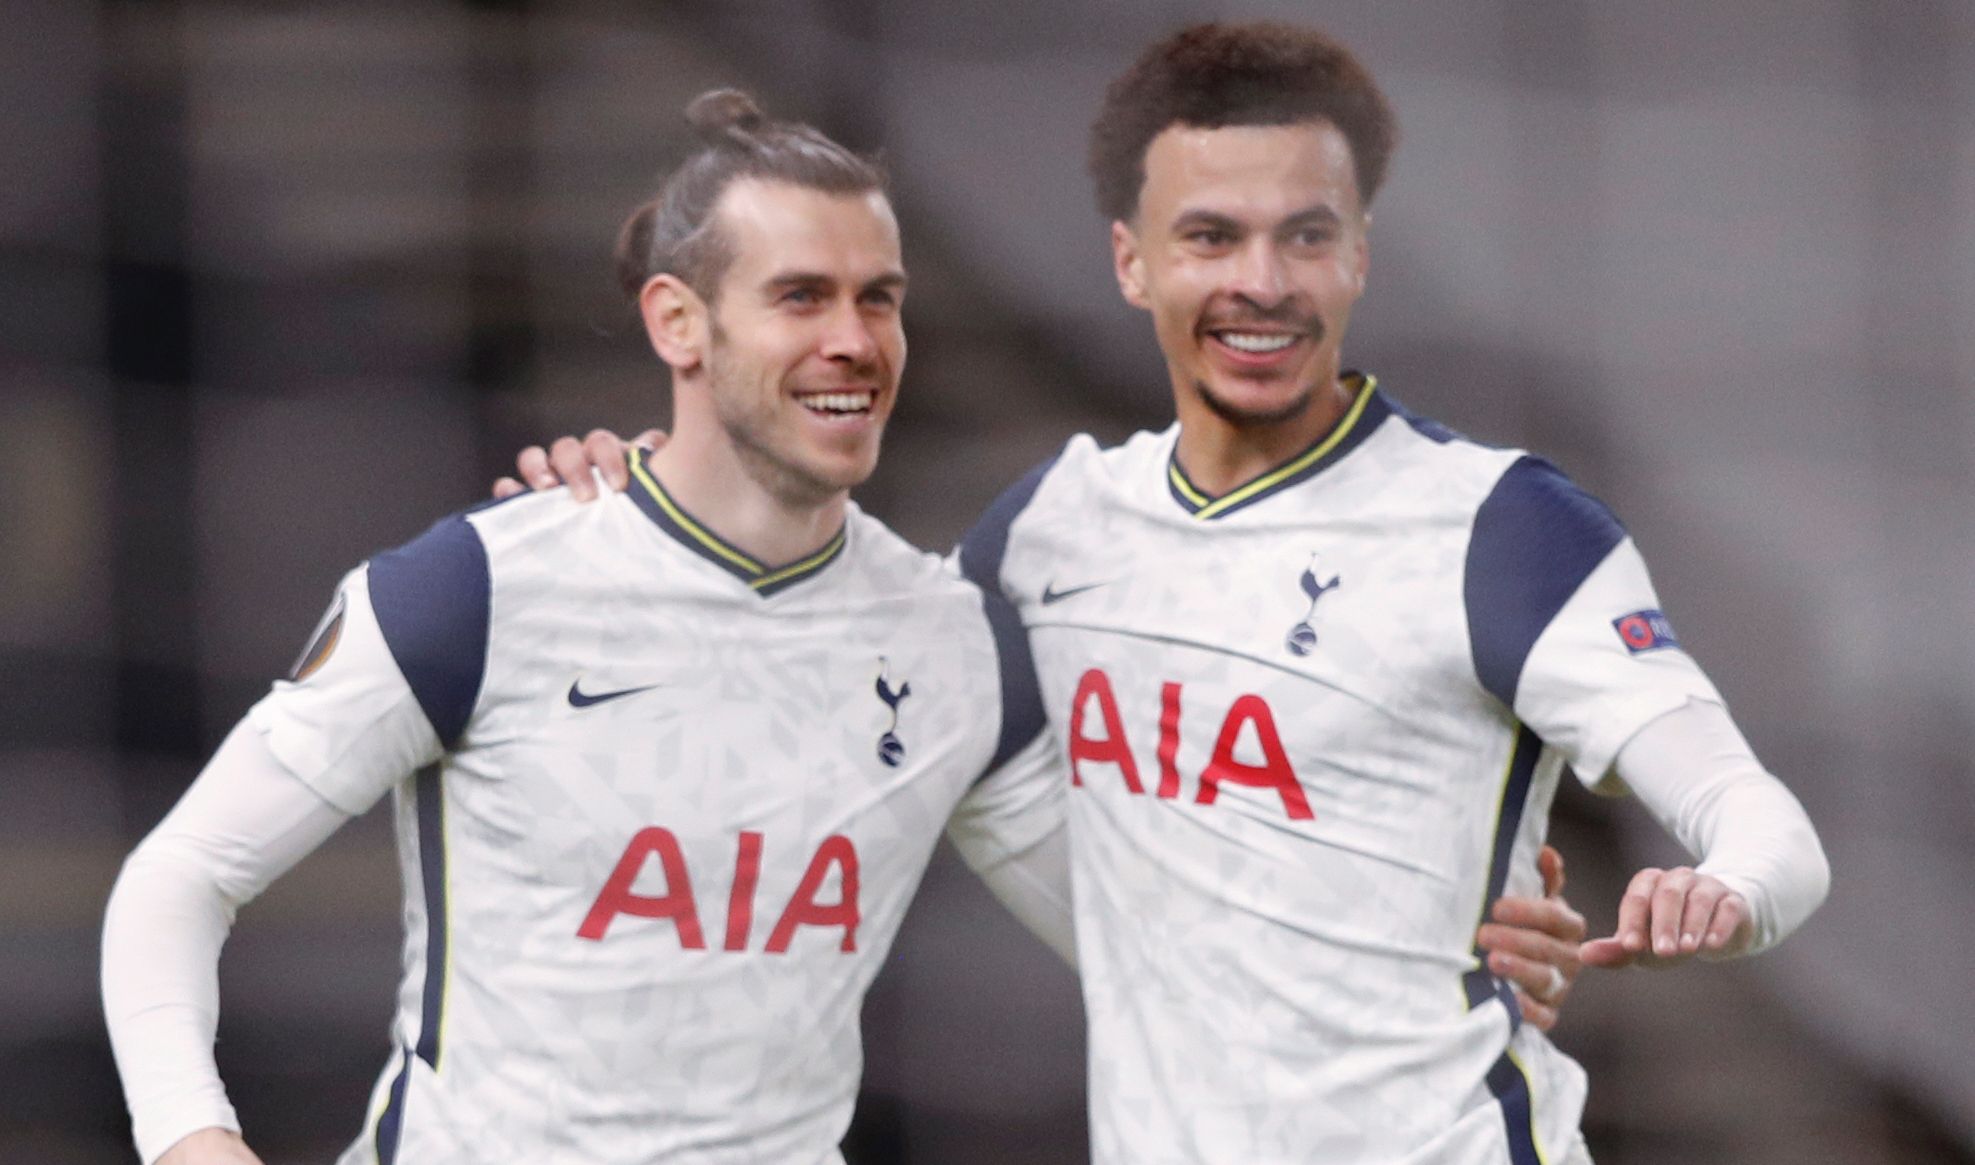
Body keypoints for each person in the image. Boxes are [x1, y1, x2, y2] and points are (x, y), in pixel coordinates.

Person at [524, 22, 1830, 1165]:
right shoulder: (1049, 532)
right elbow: (830, 662)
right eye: (1208, 236)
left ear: (1358, 256)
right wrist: (633, 503)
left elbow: (1765, 827)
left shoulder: (1500, 530)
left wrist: (1714, 894)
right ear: (1129, 261)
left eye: (1301, 237)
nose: (1258, 282)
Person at [101, 91, 1085, 1165]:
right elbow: (180, 877)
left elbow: (1153, 954)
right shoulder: (479, 589)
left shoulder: (955, 646)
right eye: (801, 297)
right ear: (677, 321)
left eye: (878, 299)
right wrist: (193, 1143)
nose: (853, 341)